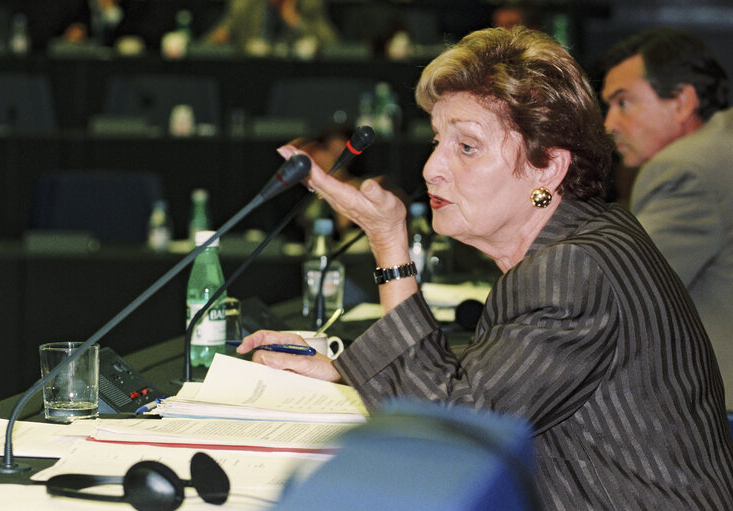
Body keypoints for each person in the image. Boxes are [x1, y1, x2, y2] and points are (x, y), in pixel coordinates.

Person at [239, 26, 733, 509]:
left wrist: (388, 242)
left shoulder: (570, 270)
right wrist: (347, 367)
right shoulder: (590, 235)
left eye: (466, 146)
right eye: (437, 140)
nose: (433, 166)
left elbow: (445, 441)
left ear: (547, 168)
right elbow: (500, 368)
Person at [600, 28, 733, 410]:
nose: (610, 124)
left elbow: (614, 296)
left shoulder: (687, 168)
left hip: (712, 419)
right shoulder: (719, 146)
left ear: (681, 101)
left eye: (624, 103)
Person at [202, 0, 338, 56]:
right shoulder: (244, 6)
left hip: (297, 77)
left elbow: (334, 44)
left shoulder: (309, 4)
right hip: (254, 73)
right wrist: (219, 39)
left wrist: (296, 22)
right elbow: (208, 43)